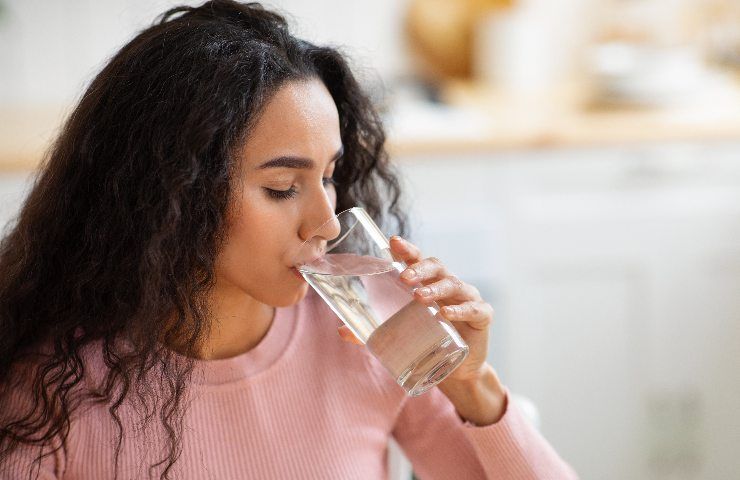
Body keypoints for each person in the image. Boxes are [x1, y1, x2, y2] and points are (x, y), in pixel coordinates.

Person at [0, 1, 578, 478]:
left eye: (328, 176)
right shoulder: (53, 387)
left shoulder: (370, 332)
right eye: (282, 187)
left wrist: (472, 385)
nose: (326, 223)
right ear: (168, 193)